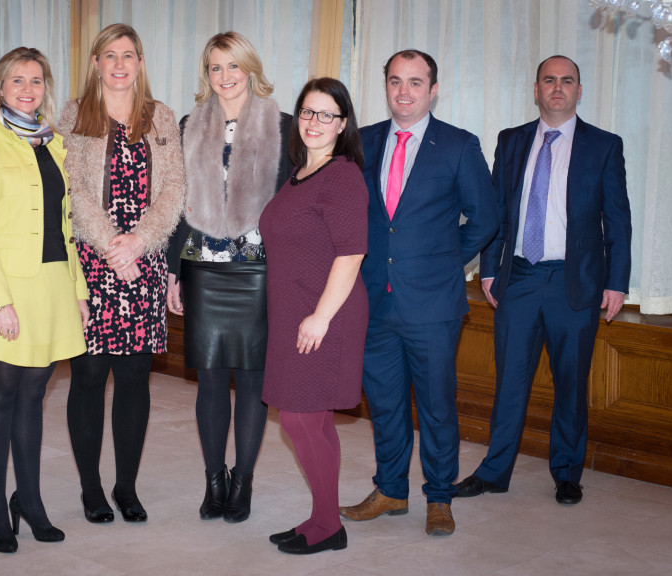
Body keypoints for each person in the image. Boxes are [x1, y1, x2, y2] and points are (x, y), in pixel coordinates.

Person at [454, 55, 631, 506]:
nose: (557, 87)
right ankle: (495, 472)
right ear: (536, 90)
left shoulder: (605, 146)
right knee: (510, 380)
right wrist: (490, 268)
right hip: (520, 278)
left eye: (566, 80)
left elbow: (619, 221)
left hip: (576, 281)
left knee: (570, 383)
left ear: (578, 90)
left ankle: (567, 473)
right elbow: (495, 209)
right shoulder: (511, 141)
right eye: (549, 80)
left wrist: (617, 282)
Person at [339, 49, 498, 536]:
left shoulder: (458, 145)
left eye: (414, 82)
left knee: (434, 405)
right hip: (373, 301)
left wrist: (446, 260)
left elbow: (486, 218)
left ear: (432, 90)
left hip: (432, 304)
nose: (403, 91)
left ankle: (439, 496)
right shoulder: (361, 143)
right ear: (385, 86)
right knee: (384, 404)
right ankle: (391, 490)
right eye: (394, 81)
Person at [0, 47, 90, 554]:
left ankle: (29, 501)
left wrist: (77, 291)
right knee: (1, 394)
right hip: (7, 289)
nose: (28, 89)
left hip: (54, 284)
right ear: (0, 88)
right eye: (18, 80)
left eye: (37, 81)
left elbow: (67, 225)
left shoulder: (55, 143)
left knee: (35, 396)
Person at [59, 23, 185, 524]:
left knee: (134, 376)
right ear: (95, 62)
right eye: (109, 55)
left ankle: (126, 487)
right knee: (89, 374)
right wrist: (113, 244)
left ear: (139, 62)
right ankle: (91, 489)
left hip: (145, 262)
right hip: (91, 260)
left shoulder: (161, 118)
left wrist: (139, 242)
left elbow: (175, 190)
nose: (118, 64)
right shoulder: (73, 115)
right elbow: (71, 187)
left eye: (128, 55)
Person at [166, 31, 292, 523]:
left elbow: (293, 204)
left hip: (260, 271)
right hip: (203, 269)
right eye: (215, 68)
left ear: (250, 69)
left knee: (254, 380)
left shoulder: (283, 125)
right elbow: (178, 205)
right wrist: (174, 272)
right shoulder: (188, 124)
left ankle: (244, 481)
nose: (224, 77)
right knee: (211, 381)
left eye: (232, 66)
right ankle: (213, 479)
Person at [259, 78, 368, 554]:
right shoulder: (301, 172)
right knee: (311, 420)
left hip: (326, 311)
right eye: (307, 111)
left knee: (300, 421)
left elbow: (350, 254)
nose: (315, 122)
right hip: (293, 311)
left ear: (343, 124)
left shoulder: (342, 175)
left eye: (327, 115)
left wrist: (321, 317)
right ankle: (324, 518)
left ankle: (328, 526)